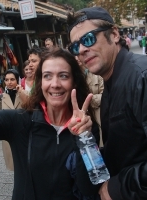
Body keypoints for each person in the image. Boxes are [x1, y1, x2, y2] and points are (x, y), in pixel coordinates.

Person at [0, 48, 101, 200]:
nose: (55, 84)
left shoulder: (87, 127)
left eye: (63, 76)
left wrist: (83, 138)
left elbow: (89, 188)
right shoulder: (20, 121)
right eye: (47, 76)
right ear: (40, 82)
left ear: (74, 82)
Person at [67, 6, 147, 200]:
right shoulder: (111, 83)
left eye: (88, 39)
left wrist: (118, 187)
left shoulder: (140, 77)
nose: (82, 50)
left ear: (114, 34)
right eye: (75, 46)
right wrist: (86, 136)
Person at [0, 69, 27, 171]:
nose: (9, 82)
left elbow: (31, 108)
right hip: (8, 137)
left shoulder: (23, 94)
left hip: (24, 134)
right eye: (7, 80)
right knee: (15, 166)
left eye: (12, 79)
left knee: (27, 163)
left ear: (17, 80)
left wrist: (21, 92)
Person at [75, 57, 104, 147]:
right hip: (81, 123)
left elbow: (105, 95)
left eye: (78, 55)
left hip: (99, 117)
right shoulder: (72, 78)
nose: (77, 58)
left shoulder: (97, 74)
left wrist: (88, 100)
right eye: (74, 55)